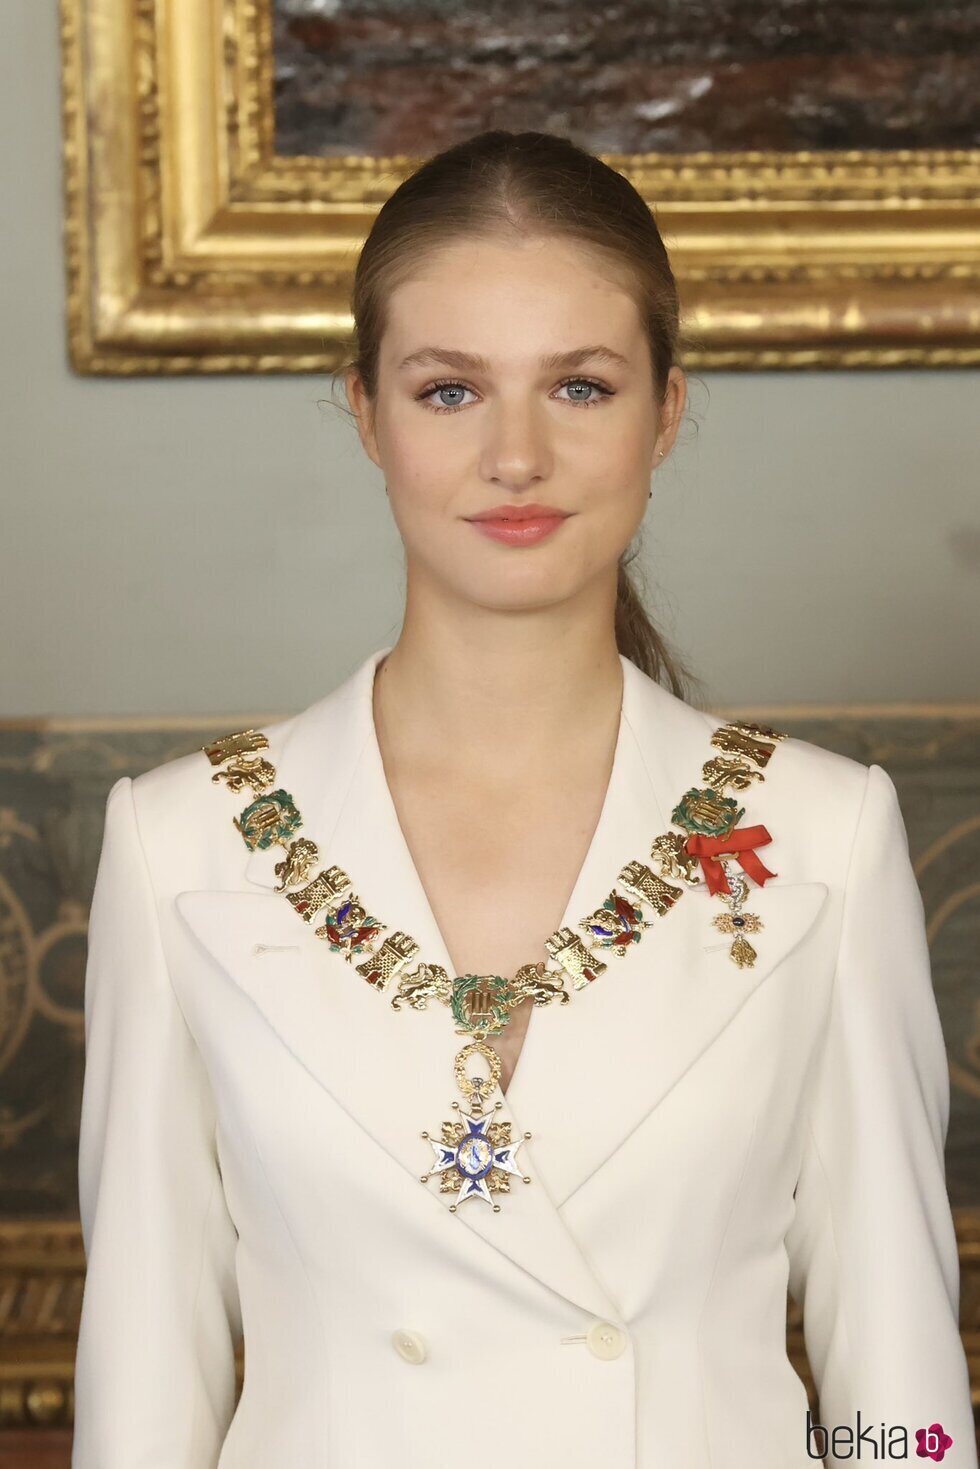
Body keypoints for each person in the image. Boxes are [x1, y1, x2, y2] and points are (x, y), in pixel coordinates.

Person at [71, 130, 975, 1469]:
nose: (516, 455)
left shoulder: (823, 834)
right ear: (366, 410)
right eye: (448, 390)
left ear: (666, 412)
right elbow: (145, 1398)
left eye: (581, 386)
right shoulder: (180, 845)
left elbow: (895, 1390)